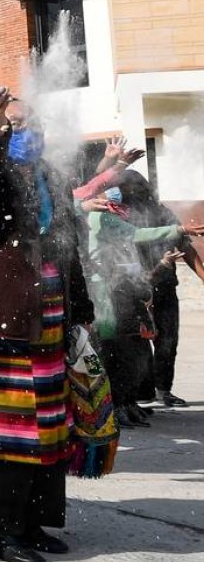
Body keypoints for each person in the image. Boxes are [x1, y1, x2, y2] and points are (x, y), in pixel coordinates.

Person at [0, 89, 94, 562]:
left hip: (49, 314)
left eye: (29, 125)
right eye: (12, 125)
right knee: (8, 426)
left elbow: (69, 244)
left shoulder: (50, 176)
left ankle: (33, 520)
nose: (22, 133)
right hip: (0, 315)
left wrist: (81, 309)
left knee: (48, 423)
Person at [83, 180, 198, 427]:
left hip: (122, 288)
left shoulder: (115, 217)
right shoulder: (101, 217)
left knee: (132, 350)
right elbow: (137, 235)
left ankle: (127, 402)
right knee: (116, 350)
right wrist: (178, 229)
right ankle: (116, 405)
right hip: (107, 291)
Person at [122, 170, 204, 408]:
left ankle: (163, 389)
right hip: (134, 288)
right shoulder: (120, 215)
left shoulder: (162, 212)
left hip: (165, 284)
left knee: (167, 339)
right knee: (136, 341)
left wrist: (201, 275)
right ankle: (137, 393)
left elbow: (184, 244)